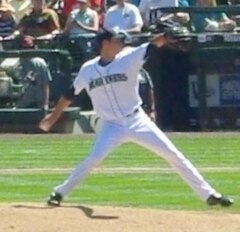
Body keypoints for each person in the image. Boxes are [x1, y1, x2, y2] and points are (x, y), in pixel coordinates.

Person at [39, 29, 233, 207]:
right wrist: (53, 117)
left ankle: (209, 194)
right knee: (93, 158)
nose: (121, 43)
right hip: (111, 126)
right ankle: (59, 192)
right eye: (117, 40)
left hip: (137, 120)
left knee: (173, 154)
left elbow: (151, 44)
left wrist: (165, 37)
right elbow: (69, 94)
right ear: (105, 43)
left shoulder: (128, 57)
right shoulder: (88, 69)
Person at [17, 36, 52, 109]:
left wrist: (46, 103)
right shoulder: (16, 63)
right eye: (25, 48)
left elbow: (45, 84)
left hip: (38, 103)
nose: (27, 51)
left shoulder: (40, 62)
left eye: (29, 48)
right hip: (22, 103)